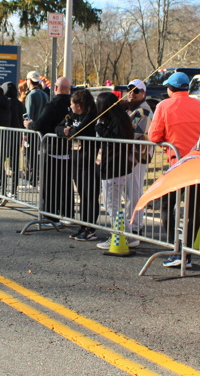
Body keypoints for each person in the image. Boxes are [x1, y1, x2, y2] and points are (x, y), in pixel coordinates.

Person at [149, 70, 200, 268]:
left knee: (167, 206)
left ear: (170, 88)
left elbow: (154, 136)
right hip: (198, 163)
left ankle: (174, 249)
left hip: (178, 164)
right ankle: (187, 254)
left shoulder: (164, 106)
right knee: (193, 210)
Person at [94, 91, 140, 250]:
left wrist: (100, 128)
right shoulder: (120, 119)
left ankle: (122, 235)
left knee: (111, 205)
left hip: (114, 168)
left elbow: (115, 140)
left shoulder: (116, 122)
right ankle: (126, 235)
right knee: (112, 204)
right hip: (117, 167)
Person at [25, 76, 72, 224]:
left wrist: (29, 125)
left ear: (56, 88)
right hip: (69, 150)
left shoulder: (53, 105)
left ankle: (50, 215)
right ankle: (67, 214)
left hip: (53, 149)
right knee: (66, 184)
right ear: (69, 89)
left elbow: (40, 125)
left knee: (50, 185)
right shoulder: (74, 105)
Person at [57, 88, 100, 240]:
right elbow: (58, 128)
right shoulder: (72, 115)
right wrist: (65, 131)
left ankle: (90, 228)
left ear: (79, 105)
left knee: (90, 195)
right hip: (76, 160)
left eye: (72, 104)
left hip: (89, 161)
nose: (70, 106)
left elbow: (79, 131)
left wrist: (70, 131)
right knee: (81, 195)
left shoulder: (91, 116)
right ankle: (82, 226)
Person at [121, 79, 153, 235]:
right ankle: (130, 222)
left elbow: (134, 134)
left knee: (134, 191)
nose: (132, 94)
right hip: (129, 155)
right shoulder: (130, 109)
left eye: (136, 91)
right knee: (128, 191)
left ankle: (135, 225)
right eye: (129, 90)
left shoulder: (144, 112)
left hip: (138, 156)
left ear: (143, 93)